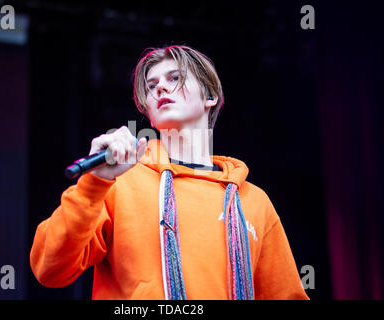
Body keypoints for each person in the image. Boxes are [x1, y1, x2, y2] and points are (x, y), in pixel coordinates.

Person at [30, 45, 309, 300]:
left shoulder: (254, 202)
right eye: (152, 86)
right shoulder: (119, 182)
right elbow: (49, 268)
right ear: (149, 112)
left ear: (210, 97)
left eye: (174, 78)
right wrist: (94, 183)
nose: (161, 87)